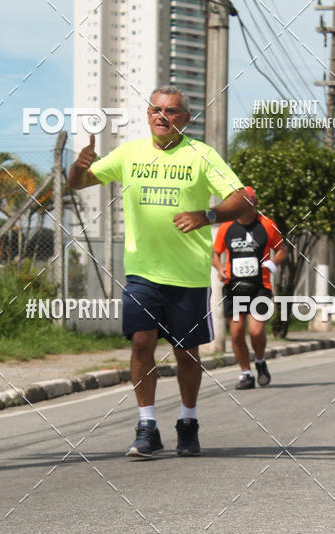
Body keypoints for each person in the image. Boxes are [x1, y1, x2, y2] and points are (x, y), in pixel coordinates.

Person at [68, 86, 249, 458]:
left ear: (185, 118)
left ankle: (188, 421)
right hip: (142, 272)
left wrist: (208, 216)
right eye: (155, 109)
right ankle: (147, 426)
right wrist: (78, 164)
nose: (162, 116)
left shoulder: (202, 155)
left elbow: (245, 197)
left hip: (188, 276)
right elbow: (78, 183)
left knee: (185, 353)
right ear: (148, 114)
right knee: (140, 342)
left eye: (171, 111)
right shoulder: (129, 153)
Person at [212, 186, 286, 388]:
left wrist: (273, 263)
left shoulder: (267, 224)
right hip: (234, 287)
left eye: (250, 203)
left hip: (260, 287)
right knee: (236, 333)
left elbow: (281, 250)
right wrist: (219, 269)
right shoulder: (226, 227)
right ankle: (246, 373)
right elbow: (215, 253)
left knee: (255, 331)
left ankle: (260, 362)